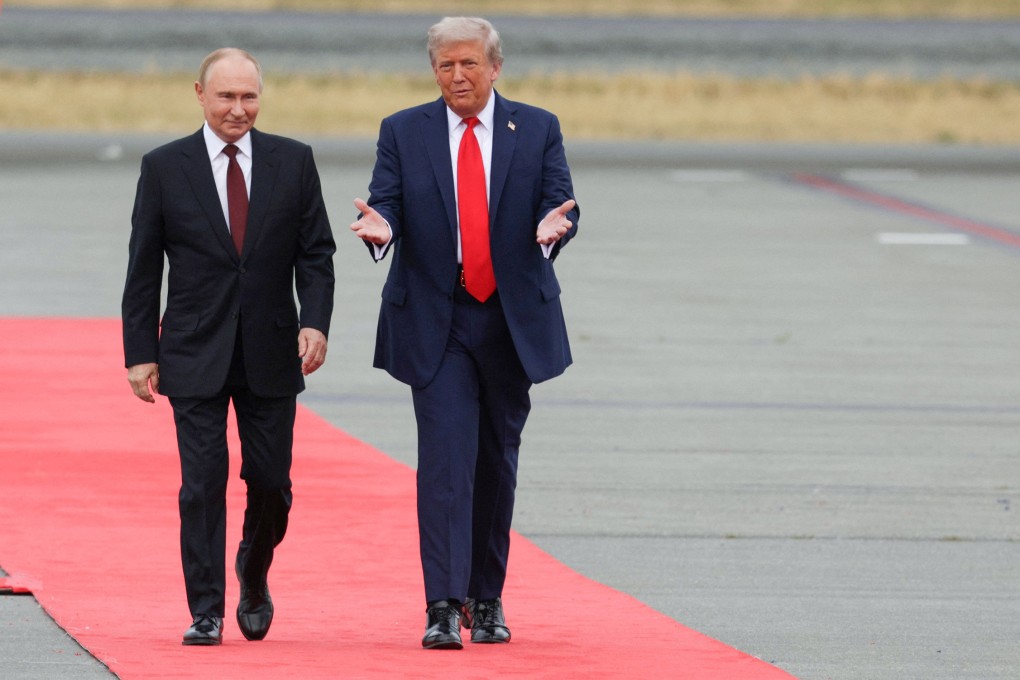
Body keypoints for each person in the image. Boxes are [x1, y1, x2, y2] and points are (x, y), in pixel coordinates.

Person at [350, 16, 579, 650]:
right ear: (434, 70)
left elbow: (560, 201)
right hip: (437, 315)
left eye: (470, 64)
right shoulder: (403, 130)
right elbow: (385, 201)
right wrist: (382, 230)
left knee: (496, 463)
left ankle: (487, 597)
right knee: (446, 460)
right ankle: (443, 605)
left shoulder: (536, 127)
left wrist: (555, 228)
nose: (458, 75)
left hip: (510, 319)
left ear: (495, 67)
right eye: (446, 65)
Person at [121, 48, 336, 646]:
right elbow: (143, 269)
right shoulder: (164, 167)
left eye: (249, 97)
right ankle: (206, 608)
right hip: (193, 350)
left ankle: (255, 567)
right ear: (199, 94)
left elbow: (316, 253)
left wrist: (315, 321)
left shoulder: (293, 162)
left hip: (272, 349)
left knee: (271, 481)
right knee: (202, 482)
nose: (238, 109)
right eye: (226, 97)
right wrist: (141, 351)